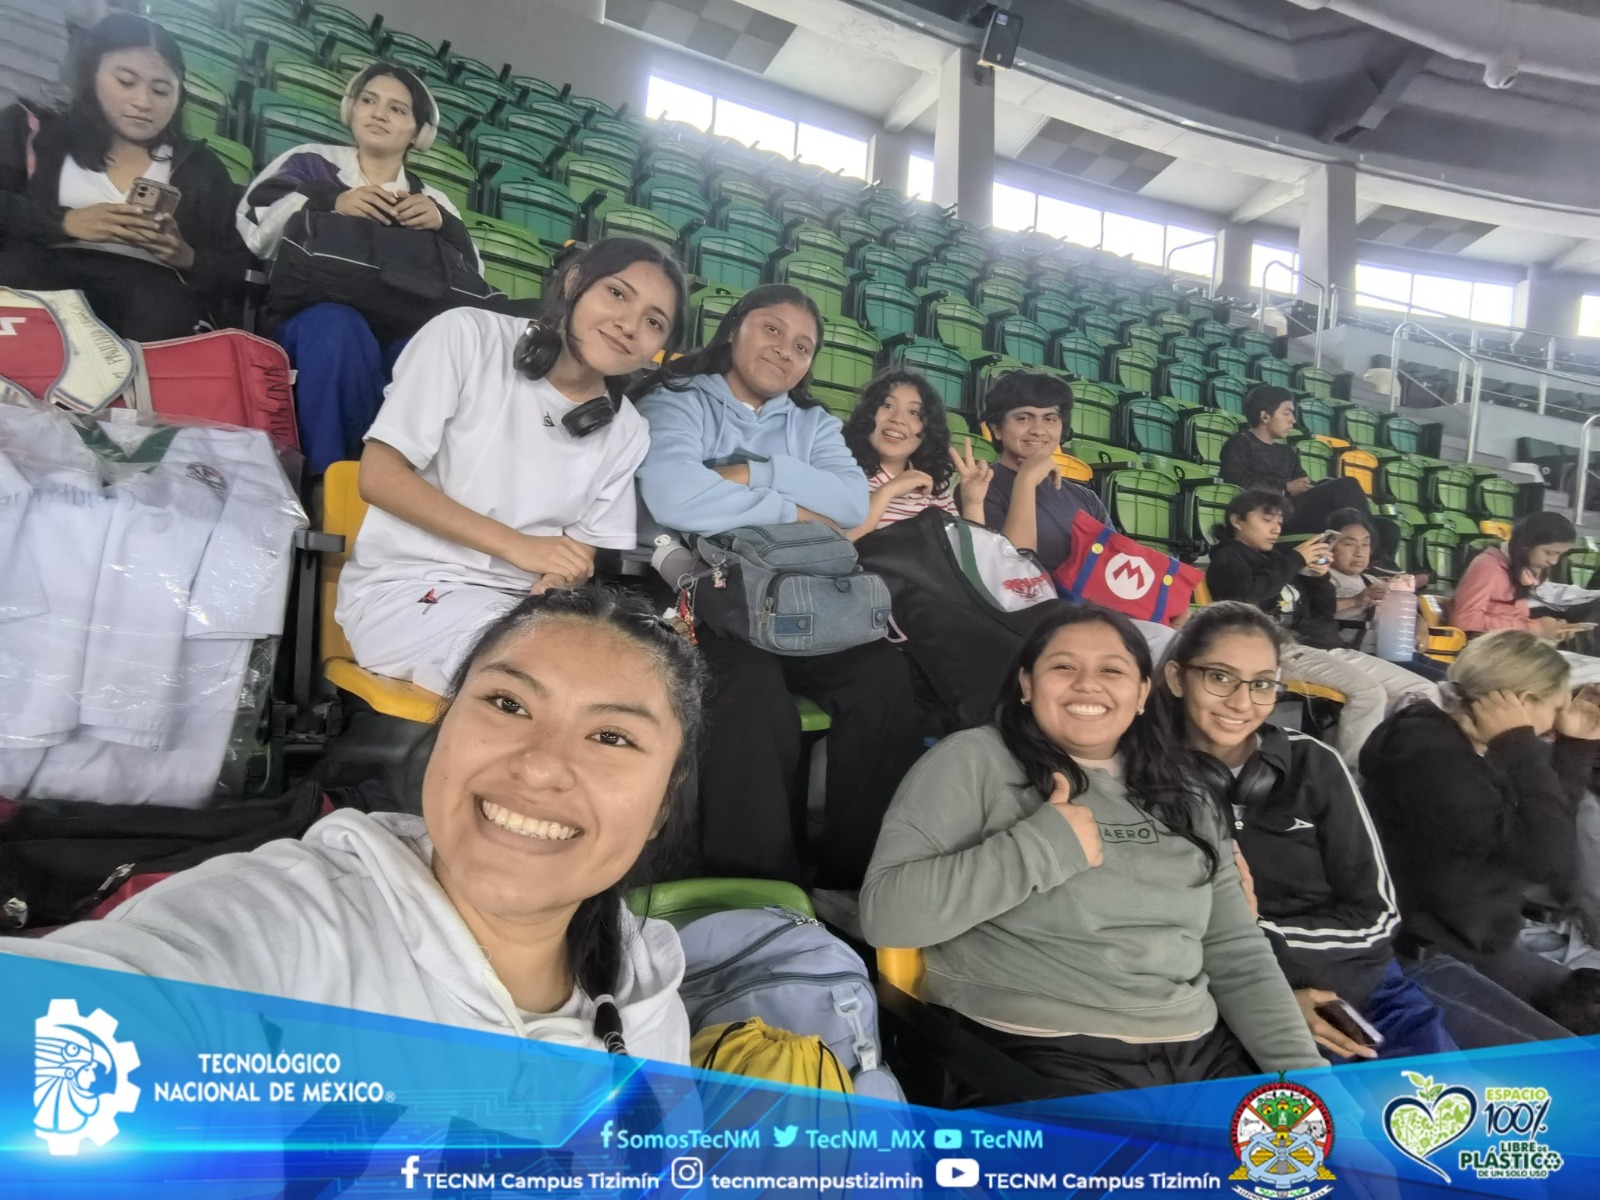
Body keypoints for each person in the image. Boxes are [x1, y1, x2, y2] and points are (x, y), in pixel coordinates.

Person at [1, 586, 707, 1061]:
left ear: (662, 807)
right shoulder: (282, 931)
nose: (542, 765)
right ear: (443, 728)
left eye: (612, 737)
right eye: (508, 704)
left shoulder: (651, 1007)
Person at [859, 604, 1323, 1101]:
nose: (1087, 684)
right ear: (1027, 684)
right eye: (1063, 666)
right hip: (1036, 1050)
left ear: (1141, 693)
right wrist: (1040, 847)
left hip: (1200, 1051)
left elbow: (1237, 952)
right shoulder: (973, 761)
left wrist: (1311, 1082)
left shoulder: (1187, 791)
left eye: (1112, 671)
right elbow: (888, 917)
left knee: (1327, 1148)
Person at [1158, 602, 1569, 1056]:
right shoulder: (1141, 778)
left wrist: (1259, 935)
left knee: (1504, 1084)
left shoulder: (1313, 763)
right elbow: (1149, 935)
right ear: (1177, 678)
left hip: (1365, 981)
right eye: (1219, 677)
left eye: (1261, 683)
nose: (1241, 701)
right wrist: (1261, 989)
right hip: (1242, 993)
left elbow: (1377, 915)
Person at [633, 283, 925, 890]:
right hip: (710, 593)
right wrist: (796, 510)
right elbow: (674, 497)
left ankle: (857, 880)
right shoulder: (679, 400)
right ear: (734, 328)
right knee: (749, 685)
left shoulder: (814, 424)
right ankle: (758, 888)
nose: (784, 351)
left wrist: (752, 471)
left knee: (882, 677)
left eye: (802, 346)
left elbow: (850, 505)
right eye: (771, 329)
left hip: (800, 597)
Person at [335, 237, 687, 694]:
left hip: (528, 612)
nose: (629, 325)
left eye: (654, 322)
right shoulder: (466, 336)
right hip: (407, 593)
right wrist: (517, 546)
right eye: (617, 293)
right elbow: (379, 476)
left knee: (645, 673)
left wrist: (560, 576)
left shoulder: (627, 429)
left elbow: (578, 554)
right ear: (575, 281)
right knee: (550, 673)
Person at [237, 62, 480, 472]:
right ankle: (328, 481)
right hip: (311, 321)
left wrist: (446, 226)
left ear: (419, 133)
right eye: (369, 101)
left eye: (397, 109)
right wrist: (331, 202)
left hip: (397, 326)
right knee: (340, 328)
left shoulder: (433, 200)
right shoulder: (310, 162)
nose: (379, 114)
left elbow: (472, 281)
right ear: (350, 109)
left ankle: (398, 486)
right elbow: (255, 229)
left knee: (423, 355)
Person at [1360, 630, 1600, 1033]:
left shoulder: (1444, 737)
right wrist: (1519, 745)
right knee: (1575, 1053)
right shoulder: (1433, 762)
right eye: (1556, 707)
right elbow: (1550, 864)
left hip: (1476, 938)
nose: (1557, 720)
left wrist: (1574, 746)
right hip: (1429, 954)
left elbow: (1546, 822)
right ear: (1520, 703)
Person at [0, 13, 249, 340]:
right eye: (125, 81)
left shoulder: (203, 169)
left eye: (161, 90)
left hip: (150, 310)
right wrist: (65, 222)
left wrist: (187, 257)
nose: (143, 102)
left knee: (162, 309)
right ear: (91, 74)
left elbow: (238, 270)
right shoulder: (29, 132)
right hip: (37, 293)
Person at [1205, 490, 1436, 764]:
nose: (1275, 529)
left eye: (1279, 522)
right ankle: (1350, 776)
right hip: (1278, 650)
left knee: (1424, 689)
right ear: (1237, 521)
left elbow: (1323, 611)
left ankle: (1401, 764)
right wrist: (1295, 560)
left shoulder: (1276, 560)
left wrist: (1317, 577)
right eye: (1267, 520)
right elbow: (1244, 597)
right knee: (1368, 693)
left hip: (1324, 646)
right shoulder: (1228, 558)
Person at [1218, 385, 1393, 561]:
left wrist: (1310, 487)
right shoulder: (1240, 443)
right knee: (1346, 485)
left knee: (1387, 527)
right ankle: (1374, 558)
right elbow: (1236, 480)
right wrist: (1285, 487)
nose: (1293, 420)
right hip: (1270, 514)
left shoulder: (1287, 452)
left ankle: (1377, 561)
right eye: (1287, 413)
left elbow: (1301, 484)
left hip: (1296, 509)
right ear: (1265, 416)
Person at [979, 372, 1110, 574]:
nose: (1038, 430)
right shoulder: (979, 488)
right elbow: (1012, 571)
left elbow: (1110, 570)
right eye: (1023, 418)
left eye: (1050, 419)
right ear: (996, 429)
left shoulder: (1087, 499)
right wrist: (1026, 480)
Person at [840, 369, 992, 539]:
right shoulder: (843, 475)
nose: (898, 419)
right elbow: (838, 545)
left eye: (914, 413)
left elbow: (970, 553)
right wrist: (888, 491)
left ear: (928, 429)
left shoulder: (937, 492)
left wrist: (973, 504)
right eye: (887, 406)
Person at [1452, 512, 1600, 659]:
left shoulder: (1520, 568)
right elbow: (1465, 620)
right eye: (1548, 552)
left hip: (1508, 643)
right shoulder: (1488, 566)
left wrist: (1552, 629)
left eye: (1559, 555)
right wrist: (1536, 628)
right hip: (1487, 651)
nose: (1553, 561)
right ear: (1526, 545)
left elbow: (1511, 617)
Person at [1323, 507, 1447, 681]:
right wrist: (1356, 600)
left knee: (1460, 675)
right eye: (1349, 544)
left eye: (1365, 544)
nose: (1359, 553)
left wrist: (1421, 624)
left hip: (1401, 653)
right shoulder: (1321, 578)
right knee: (1446, 683)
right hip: (1365, 656)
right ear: (1330, 546)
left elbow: (1403, 611)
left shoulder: (1372, 580)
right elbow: (1313, 611)